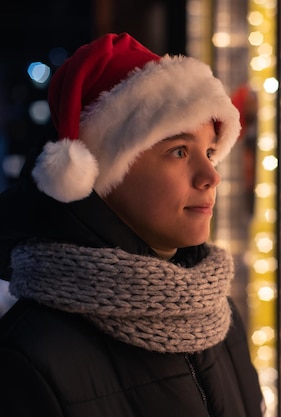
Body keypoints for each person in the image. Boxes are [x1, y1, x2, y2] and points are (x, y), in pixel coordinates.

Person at [0, 33, 265, 417]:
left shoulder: (217, 313)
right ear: (105, 173)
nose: (211, 175)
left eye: (210, 151)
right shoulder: (29, 356)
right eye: (179, 151)